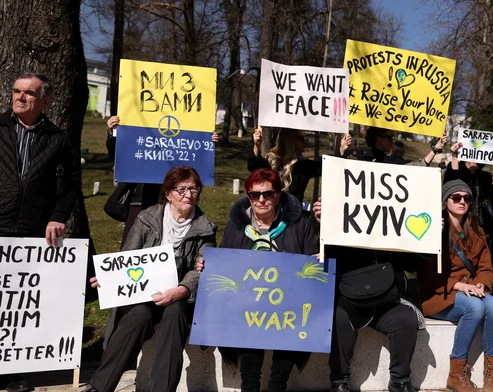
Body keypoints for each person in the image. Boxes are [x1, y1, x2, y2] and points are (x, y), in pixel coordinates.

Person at [84, 166, 216, 392]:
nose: (188, 194)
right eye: (181, 189)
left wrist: (181, 290)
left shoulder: (205, 228)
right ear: (168, 194)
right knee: (139, 315)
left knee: (175, 314)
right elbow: (128, 257)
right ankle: (100, 386)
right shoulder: (147, 218)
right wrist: (109, 277)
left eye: (193, 189)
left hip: (181, 297)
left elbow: (200, 270)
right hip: (143, 294)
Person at [0, 74, 82, 392]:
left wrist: (58, 216)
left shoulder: (57, 139)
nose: (21, 96)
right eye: (17, 91)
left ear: (44, 100)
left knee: (18, 306)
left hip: (32, 234)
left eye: (29, 93)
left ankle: (12, 372)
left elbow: (71, 185)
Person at [206, 168, 318, 392]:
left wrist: (315, 261)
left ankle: (277, 384)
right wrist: (208, 265)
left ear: (277, 195)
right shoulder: (237, 227)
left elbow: (312, 262)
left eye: (268, 194)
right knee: (247, 317)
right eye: (254, 195)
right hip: (246, 300)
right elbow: (225, 263)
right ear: (248, 197)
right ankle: (249, 385)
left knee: (292, 319)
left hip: (290, 300)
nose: (261, 200)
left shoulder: (299, 224)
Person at [312, 197, 423, 392]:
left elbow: (411, 264)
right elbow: (325, 254)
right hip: (348, 294)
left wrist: (428, 238)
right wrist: (324, 222)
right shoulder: (341, 222)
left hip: (385, 295)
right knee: (338, 320)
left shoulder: (392, 224)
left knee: (405, 319)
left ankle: (400, 380)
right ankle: (339, 382)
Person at [418, 180, 493, 392]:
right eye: (456, 197)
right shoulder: (434, 228)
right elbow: (426, 275)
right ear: (446, 202)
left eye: (466, 198)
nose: (462, 201)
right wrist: (459, 286)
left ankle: (490, 375)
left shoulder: (476, 230)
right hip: (439, 295)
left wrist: (481, 283)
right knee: (475, 308)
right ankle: (456, 374)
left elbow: (485, 267)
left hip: (470, 290)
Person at [106, 116, 219, 245]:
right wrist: (114, 134)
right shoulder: (140, 121)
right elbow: (123, 155)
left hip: (177, 197)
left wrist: (206, 140)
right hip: (141, 197)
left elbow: (192, 156)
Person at [446, 142, 493, 275]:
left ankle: (482, 279)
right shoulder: (458, 170)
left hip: (483, 223)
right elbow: (451, 182)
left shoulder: (484, 176)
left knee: (482, 256)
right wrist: (454, 156)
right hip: (462, 219)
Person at [248, 127, 351, 203]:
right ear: (291, 140)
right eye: (301, 138)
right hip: (271, 217)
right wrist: (257, 145)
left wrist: (341, 150)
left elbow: (329, 166)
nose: (304, 141)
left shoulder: (303, 166)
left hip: (293, 220)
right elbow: (253, 165)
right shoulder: (271, 162)